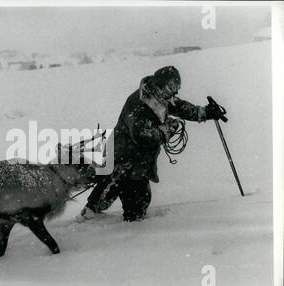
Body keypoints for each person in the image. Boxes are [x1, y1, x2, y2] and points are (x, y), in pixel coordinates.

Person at [76, 66, 226, 222]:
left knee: (122, 190)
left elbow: (180, 107)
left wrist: (205, 112)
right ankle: (111, 228)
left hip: (137, 160)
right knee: (129, 195)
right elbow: (142, 136)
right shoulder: (140, 105)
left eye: (176, 88)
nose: (175, 93)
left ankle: (92, 213)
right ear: (161, 85)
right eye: (172, 88)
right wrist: (167, 129)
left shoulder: (160, 95)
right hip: (124, 156)